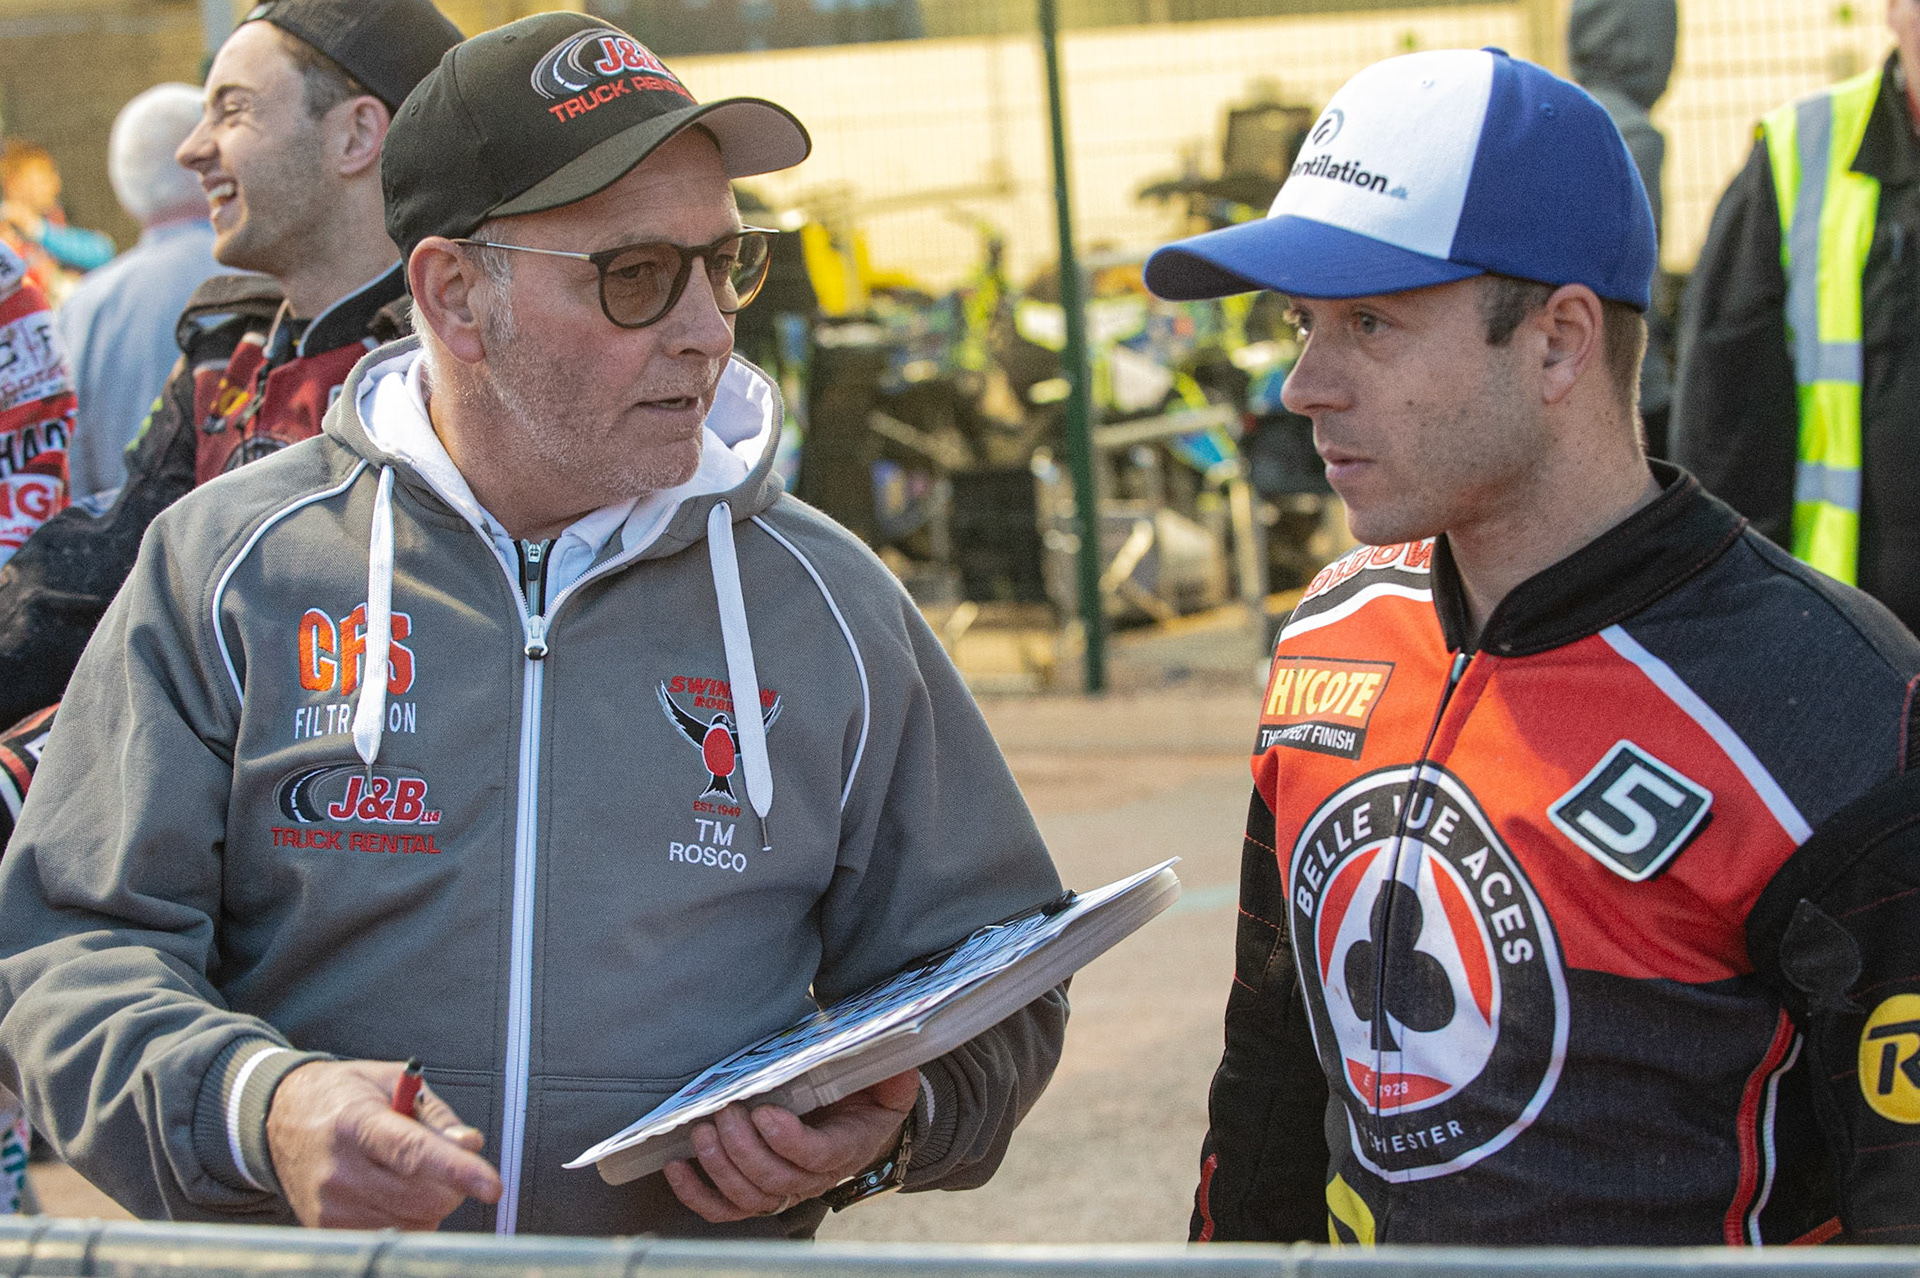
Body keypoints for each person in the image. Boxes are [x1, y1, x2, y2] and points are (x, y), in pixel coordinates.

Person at [0, 11, 1066, 1238]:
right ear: (454, 294)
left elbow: (1000, 974)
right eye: (636, 277)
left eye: (724, 265)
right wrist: (264, 1106)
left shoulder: (828, 600)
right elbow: (67, 950)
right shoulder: (230, 569)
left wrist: (895, 1121)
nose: (708, 329)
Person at [1146, 47, 1920, 1245]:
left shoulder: (1840, 703)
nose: (1305, 384)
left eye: (1370, 322)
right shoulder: (1331, 636)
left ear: (1560, 342)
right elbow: (1266, 1097)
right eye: (1303, 323)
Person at [0, 0, 463, 824]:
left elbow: (270, 669)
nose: (192, 149)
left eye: (233, 109)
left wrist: (35, 758)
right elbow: (102, 574)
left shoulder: (450, 371)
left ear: (358, 136)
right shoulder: (230, 345)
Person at [1672, 0, 1920, 633]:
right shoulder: (1800, 154)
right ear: (1894, 10)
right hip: (1857, 640)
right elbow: (1726, 417)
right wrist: (1741, 614)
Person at [54, 84, 227, 499]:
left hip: (124, 554)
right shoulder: (271, 278)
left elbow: (67, 468)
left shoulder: (82, 307)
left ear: (124, 185)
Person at [0, 142, 114, 303]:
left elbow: (102, 251)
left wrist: (36, 229)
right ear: (14, 182)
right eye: (44, 175)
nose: (55, 184)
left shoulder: (45, 226)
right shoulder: (4, 230)